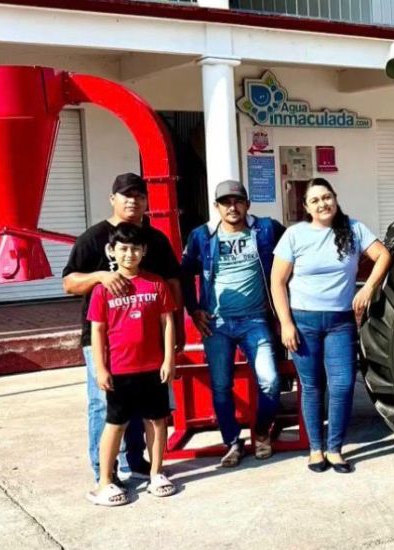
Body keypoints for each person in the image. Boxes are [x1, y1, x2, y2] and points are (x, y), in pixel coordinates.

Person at [63, 173, 182, 486]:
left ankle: (137, 462)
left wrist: (177, 333)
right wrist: (100, 277)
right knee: (103, 402)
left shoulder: (155, 240)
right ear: (112, 199)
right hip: (101, 338)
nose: (133, 201)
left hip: (148, 341)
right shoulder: (93, 238)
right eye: (125, 195)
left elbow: (172, 283)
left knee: (145, 406)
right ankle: (104, 471)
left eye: (139, 195)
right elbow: (69, 282)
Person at [270, 179, 392, 474]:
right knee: (312, 387)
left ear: (335, 198)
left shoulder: (353, 229)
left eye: (327, 197)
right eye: (315, 200)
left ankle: (335, 449)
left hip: (340, 322)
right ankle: (316, 449)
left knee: (343, 384)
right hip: (303, 322)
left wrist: (367, 289)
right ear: (306, 207)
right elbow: (277, 281)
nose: (323, 204)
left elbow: (383, 256)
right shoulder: (295, 235)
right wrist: (286, 324)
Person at [181, 180, 286, 468]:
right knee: (221, 386)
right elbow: (184, 273)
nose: (232, 207)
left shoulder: (266, 230)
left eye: (237, 201)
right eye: (225, 202)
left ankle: (262, 432)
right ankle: (232, 442)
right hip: (217, 324)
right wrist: (194, 309)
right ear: (216, 207)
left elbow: (293, 256)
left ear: (247, 204)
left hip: (256, 320)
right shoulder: (202, 236)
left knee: (271, 381)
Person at [86, 223, 178, 506]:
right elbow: (98, 331)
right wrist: (101, 369)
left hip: (153, 368)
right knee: (115, 424)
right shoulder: (103, 290)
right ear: (112, 251)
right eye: (123, 249)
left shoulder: (156, 283)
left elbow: (167, 323)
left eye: (135, 248)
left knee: (157, 420)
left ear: (144, 251)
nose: (130, 254)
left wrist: (169, 359)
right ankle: (104, 482)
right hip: (120, 370)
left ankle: (156, 473)